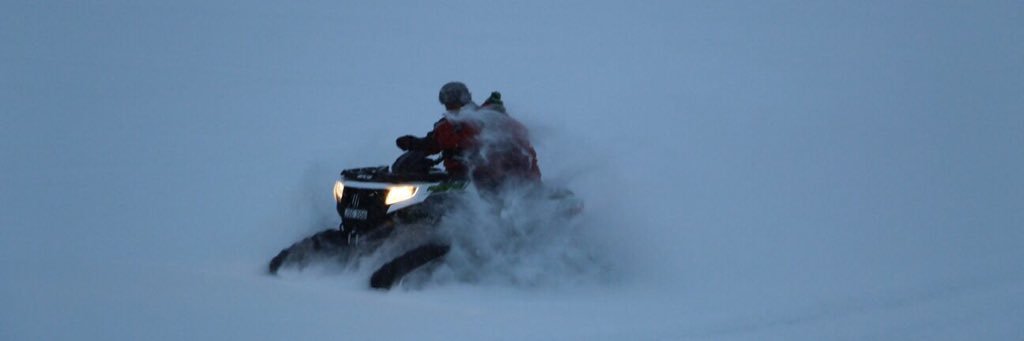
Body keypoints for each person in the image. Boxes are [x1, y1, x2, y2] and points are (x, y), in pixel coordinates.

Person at [396, 81, 540, 191]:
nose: (451, 106)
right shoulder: (445, 126)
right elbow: (433, 143)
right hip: (458, 177)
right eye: (447, 103)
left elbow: (518, 139)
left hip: (491, 178)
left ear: (465, 99)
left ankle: (496, 224)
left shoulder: (488, 118)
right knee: (433, 193)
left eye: (455, 101)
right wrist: (413, 143)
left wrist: (487, 153)